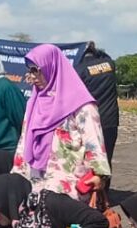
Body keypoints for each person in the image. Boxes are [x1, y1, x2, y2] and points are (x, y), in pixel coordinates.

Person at [13, 43, 109, 200]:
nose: (33, 76)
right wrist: (18, 171)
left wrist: (99, 174)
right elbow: (24, 139)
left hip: (68, 183)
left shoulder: (82, 105)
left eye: (36, 70)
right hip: (36, 180)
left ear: (51, 68)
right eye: (30, 70)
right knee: (38, 222)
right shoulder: (35, 101)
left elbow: (94, 141)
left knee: (68, 225)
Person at [72, 41, 120, 171]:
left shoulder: (80, 70)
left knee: (89, 157)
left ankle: (90, 189)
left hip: (90, 121)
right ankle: (104, 190)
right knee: (107, 157)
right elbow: (105, 57)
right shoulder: (109, 64)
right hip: (110, 119)